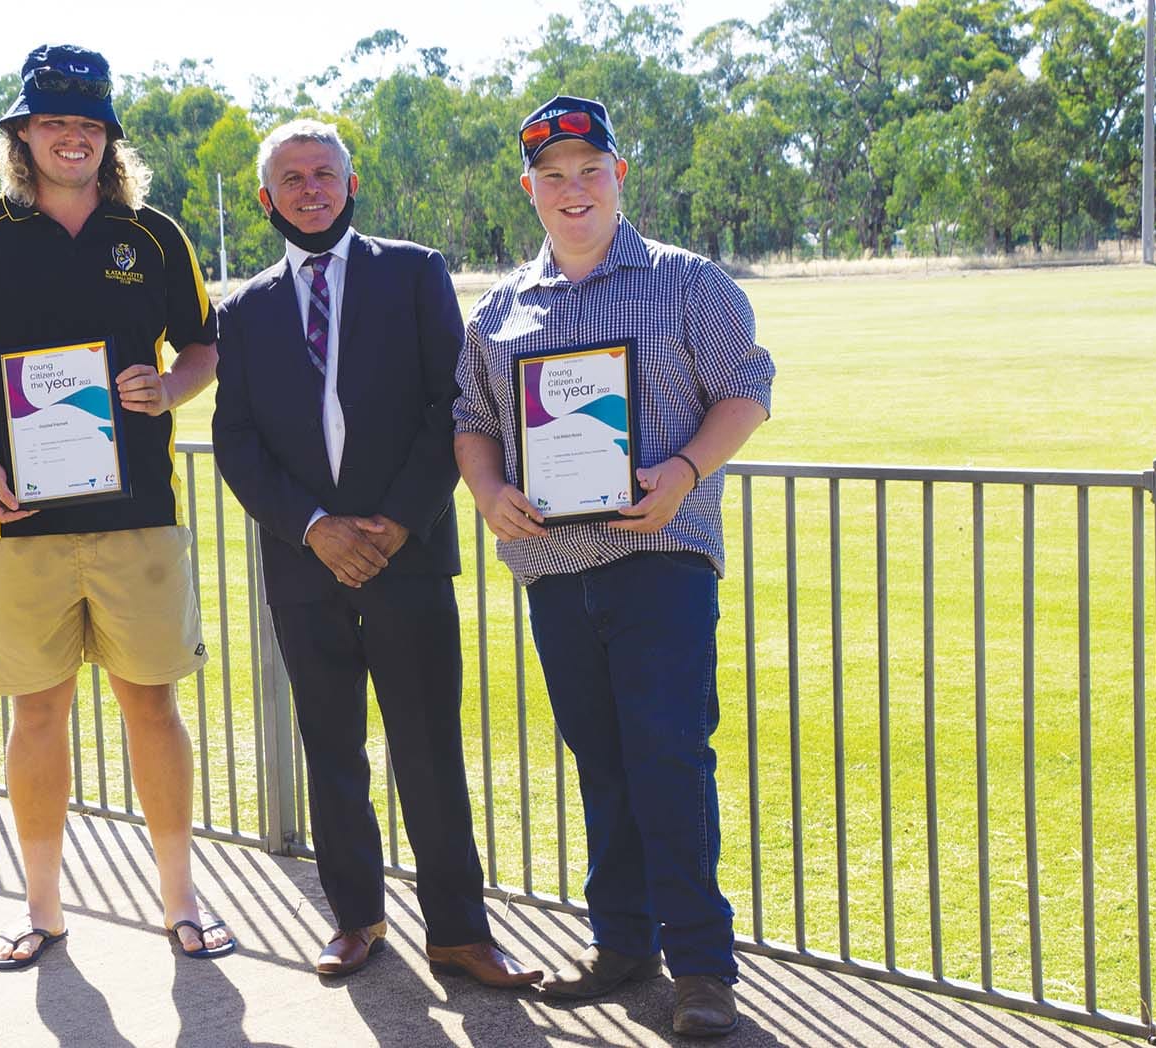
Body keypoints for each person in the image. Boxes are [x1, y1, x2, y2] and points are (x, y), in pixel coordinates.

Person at [0, 43, 234, 970]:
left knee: (152, 710)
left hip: (139, 521)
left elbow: (203, 349)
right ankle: (42, 913)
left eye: (88, 123)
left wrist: (169, 389)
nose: (72, 137)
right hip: (16, 525)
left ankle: (182, 904)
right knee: (36, 718)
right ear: (23, 132)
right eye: (53, 121)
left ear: (108, 135)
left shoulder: (155, 235)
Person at [453, 95, 775, 1037]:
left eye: (589, 170)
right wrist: (485, 490)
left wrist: (681, 473)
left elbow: (747, 391)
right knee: (601, 762)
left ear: (619, 176)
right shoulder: (503, 309)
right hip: (555, 570)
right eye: (553, 177)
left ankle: (702, 970)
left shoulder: (688, 283)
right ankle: (623, 944)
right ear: (530, 190)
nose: (573, 189)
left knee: (670, 758)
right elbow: (472, 419)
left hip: (658, 561)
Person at [212, 119, 540, 988]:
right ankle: (355, 920)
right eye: (292, 177)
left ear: (350, 186)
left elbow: (453, 407)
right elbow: (237, 442)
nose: (310, 188)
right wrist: (315, 528)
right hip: (304, 566)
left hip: (409, 557)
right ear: (266, 197)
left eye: (325, 173)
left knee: (428, 750)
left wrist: (395, 522)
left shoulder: (414, 272)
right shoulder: (243, 311)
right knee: (331, 750)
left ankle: (461, 934)